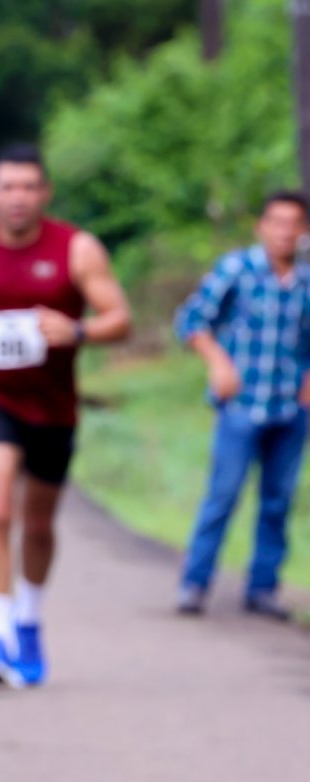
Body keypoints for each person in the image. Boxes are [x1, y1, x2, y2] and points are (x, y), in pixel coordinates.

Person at [0, 144, 131, 687]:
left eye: (28, 187)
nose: (17, 197)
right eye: (7, 187)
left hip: (53, 405)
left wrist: (77, 330)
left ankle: (28, 620)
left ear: (45, 194)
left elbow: (119, 318)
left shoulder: (76, 249)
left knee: (38, 525)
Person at [173, 191, 310, 620]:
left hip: (290, 407)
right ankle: (195, 582)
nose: (284, 231)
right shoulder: (237, 269)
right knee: (223, 494)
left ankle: (263, 588)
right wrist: (217, 362)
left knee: (277, 501)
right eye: (277, 222)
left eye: (293, 223)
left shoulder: (306, 281)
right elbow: (191, 320)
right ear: (261, 226)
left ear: (303, 230)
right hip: (241, 404)